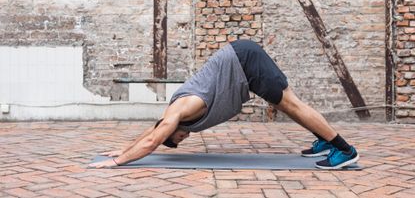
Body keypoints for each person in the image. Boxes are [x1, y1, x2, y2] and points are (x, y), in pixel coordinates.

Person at [89, 39, 359, 169]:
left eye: (177, 139)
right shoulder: (172, 115)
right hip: (242, 63)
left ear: (170, 129)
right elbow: (152, 131)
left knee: (292, 105)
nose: (184, 138)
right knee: (286, 106)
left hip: (245, 62)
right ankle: (324, 140)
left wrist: (119, 161)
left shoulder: (182, 110)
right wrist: (122, 147)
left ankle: (344, 150)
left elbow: (152, 140)